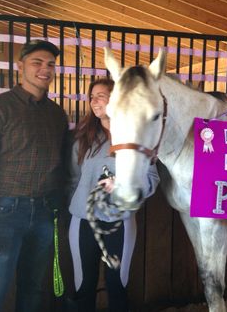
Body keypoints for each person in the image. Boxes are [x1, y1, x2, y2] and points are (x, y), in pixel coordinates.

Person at [0, 39, 69, 312]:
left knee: (33, 292)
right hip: (3, 214)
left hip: (45, 213)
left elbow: (62, 167)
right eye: (37, 63)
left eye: (50, 65)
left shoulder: (57, 115)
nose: (45, 69)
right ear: (20, 66)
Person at [67, 78, 159, 312]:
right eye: (92, 96)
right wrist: (79, 203)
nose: (94, 100)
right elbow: (74, 179)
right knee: (83, 285)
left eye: (101, 95)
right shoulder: (83, 138)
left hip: (120, 221)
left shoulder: (137, 138)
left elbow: (151, 179)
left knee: (117, 284)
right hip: (83, 222)